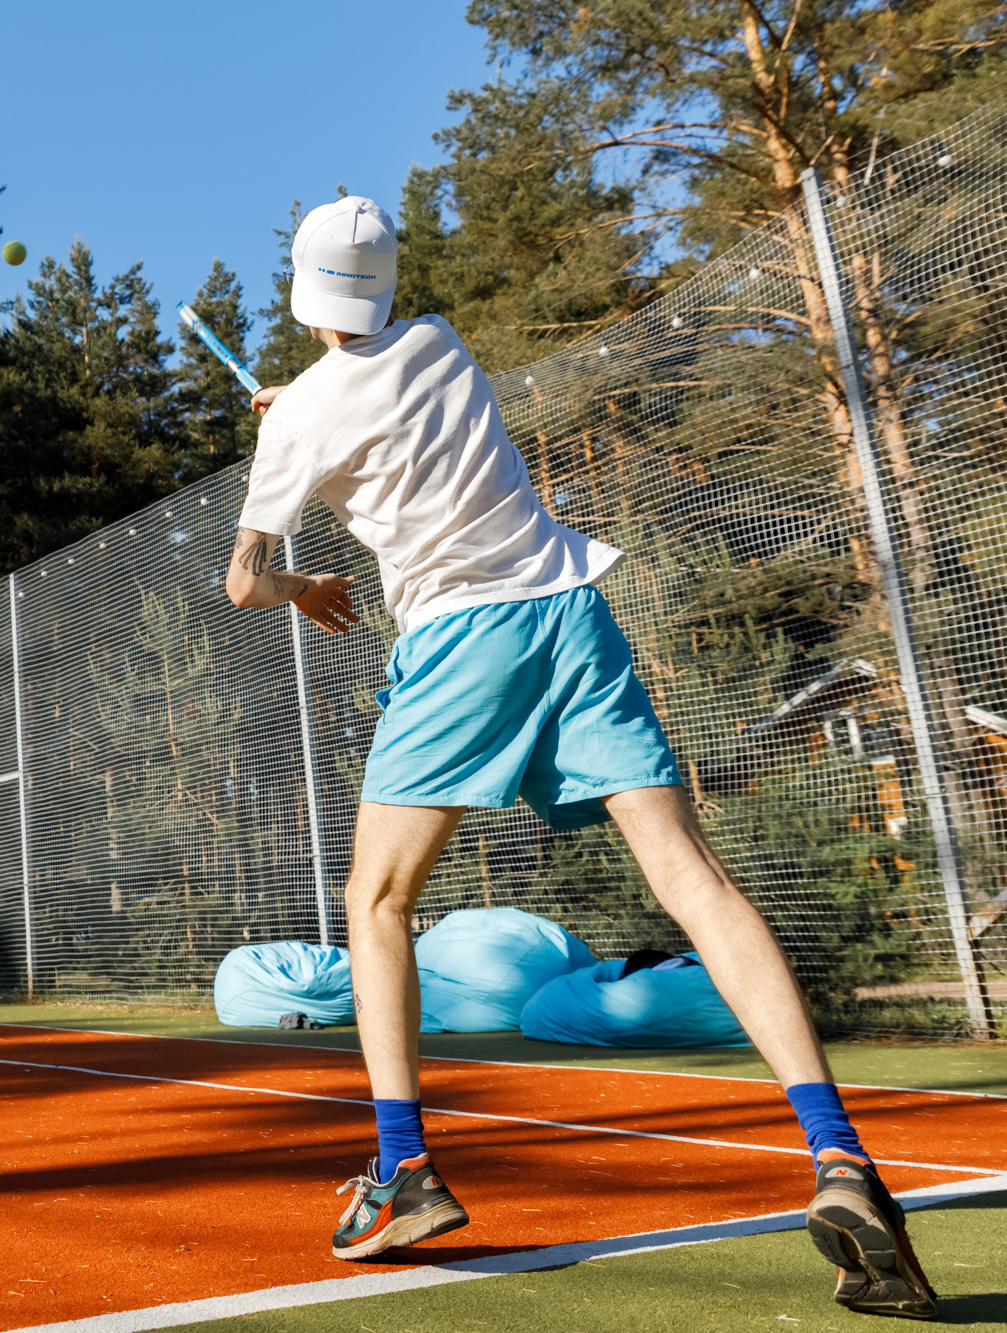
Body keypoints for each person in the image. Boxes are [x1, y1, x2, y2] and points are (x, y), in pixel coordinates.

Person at [223, 195, 936, 1319]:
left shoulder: (297, 417)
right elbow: (368, 396)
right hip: (569, 611)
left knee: (374, 901)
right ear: (387, 278)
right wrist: (298, 411)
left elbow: (243, 579)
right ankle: (840, 1157)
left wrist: (303, 575)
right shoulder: (438, 341)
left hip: (459, 636)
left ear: (299, 287)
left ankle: (402, 1169)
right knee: (691, 877)